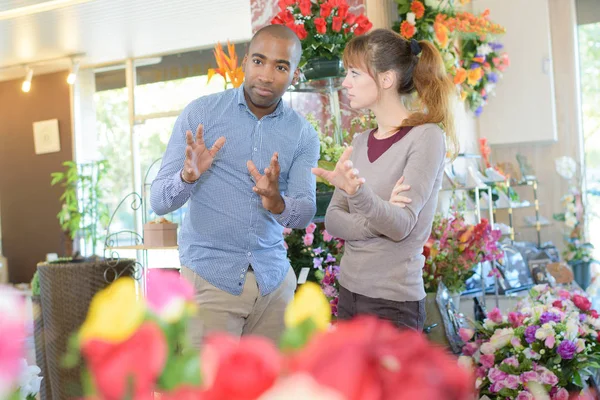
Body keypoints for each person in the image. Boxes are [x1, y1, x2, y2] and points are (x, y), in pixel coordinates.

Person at [150, 25, 320, 346]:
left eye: (281, 66)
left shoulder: (303, 135)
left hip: (273, 286)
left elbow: (305, 211)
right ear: (244, 62)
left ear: (294, 74)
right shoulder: (201, 114)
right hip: (210, 282)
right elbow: (159, 201)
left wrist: (278, 203)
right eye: (259, 61)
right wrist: (187, 176)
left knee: (274, 392)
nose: (267, 75)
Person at [312, 28, 458, 331]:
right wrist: (374, 218)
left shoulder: (426, 137)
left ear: (386, 79)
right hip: (349, 294)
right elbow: (335, 220)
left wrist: (359, 196)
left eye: (354, 73)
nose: (346, 83)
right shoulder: (361, 140)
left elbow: (400, 225)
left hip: (393, 305)